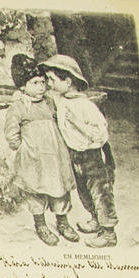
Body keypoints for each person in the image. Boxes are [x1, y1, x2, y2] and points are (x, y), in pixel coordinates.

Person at [38, 54, 117, 248]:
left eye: (52, 80)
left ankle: (109, 233)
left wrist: (78, 124)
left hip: (93, 156)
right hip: (74, 155)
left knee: (100, 193)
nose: (49, 84)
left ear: (68, 81)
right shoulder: (62, 99)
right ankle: (95, 219)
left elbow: (100, 134)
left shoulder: (85, 106)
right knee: (84, 192)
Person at [3, 54, 78, 246]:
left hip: (55, 156)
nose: (41, 87)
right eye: (35, 83)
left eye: (43, 82)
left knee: (60, 188)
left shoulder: (49, 102)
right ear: (23, 86)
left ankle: (63, 222)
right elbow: (11, 132)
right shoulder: (19, 107)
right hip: (33, 158)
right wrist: (21, 148)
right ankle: (41, 224)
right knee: (35, 191)